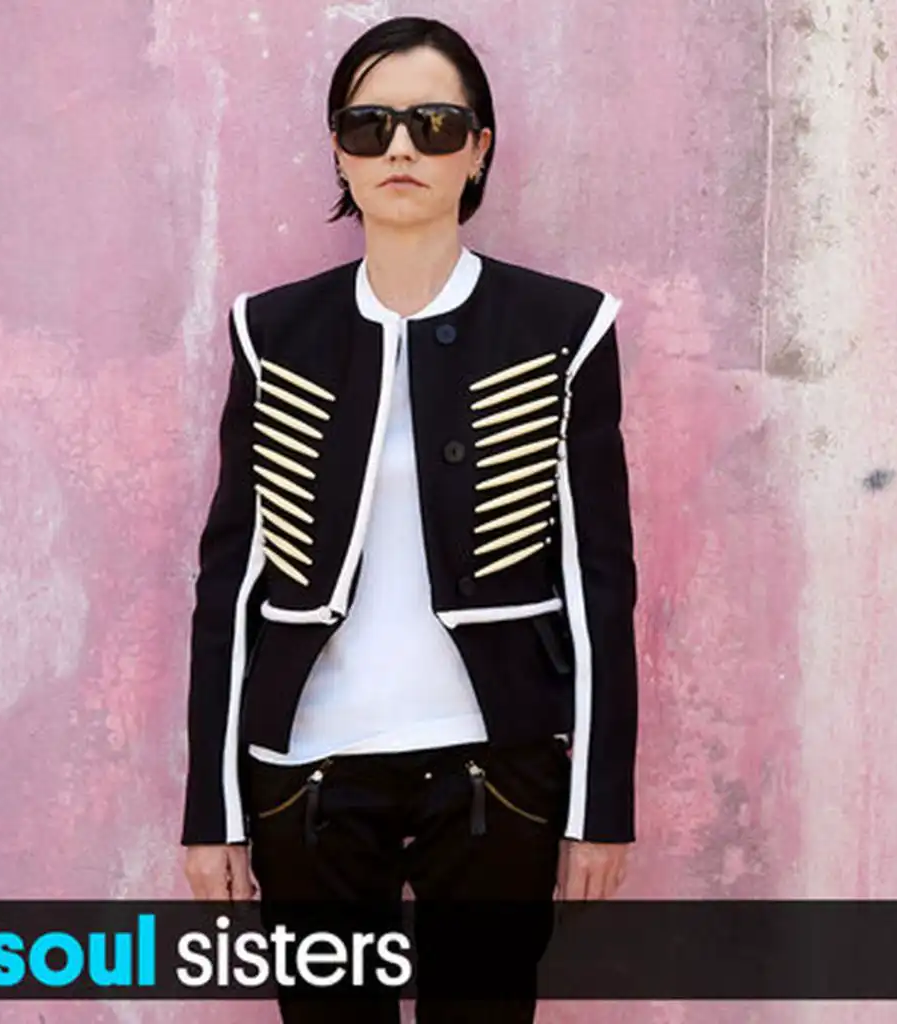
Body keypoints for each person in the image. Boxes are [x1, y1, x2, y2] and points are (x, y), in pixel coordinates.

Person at [180, 15, 640, 1023]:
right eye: (369, 123)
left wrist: (598, 806)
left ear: (478, 148)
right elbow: (232, 583)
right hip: (305, 774)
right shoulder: (272, 331)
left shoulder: (565, 327)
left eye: (435, 124)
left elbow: (597, 583)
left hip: (495, 771)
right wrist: (213, 809)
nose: (400, 148)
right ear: (339, 150)